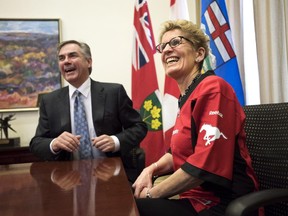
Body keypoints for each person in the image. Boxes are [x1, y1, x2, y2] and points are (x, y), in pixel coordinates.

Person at [132, 20, 261, 216]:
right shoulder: (186, 98)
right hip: (193, 198)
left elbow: (203, 166)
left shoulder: (213, 88)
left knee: (133, 208)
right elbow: (176, 153)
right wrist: (150, 169)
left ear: (199, 54)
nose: (166, 50)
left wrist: (152, 194)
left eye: (175, 42)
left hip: (221, 203)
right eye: (163, 46)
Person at [30, 40, 147, 182]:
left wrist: (115, 141)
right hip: (68, 179)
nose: (66, 61)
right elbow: (36, 143)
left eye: (72, 56)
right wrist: (54, 143)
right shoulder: (49, 101)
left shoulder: (113, 93)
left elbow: (139, 127)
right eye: (61, 58)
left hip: (111, 175)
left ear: (89, 62)